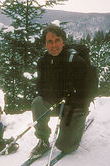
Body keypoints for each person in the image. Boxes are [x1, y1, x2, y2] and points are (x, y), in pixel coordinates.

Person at [30, 24, 90, 156]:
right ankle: (43, 139)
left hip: (75, 106)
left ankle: (78, 122)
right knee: (38, 102)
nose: (54, 45)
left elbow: (88, 91)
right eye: (49, 42)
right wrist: (55, 96)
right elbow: (40, 87)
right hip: (57, 103)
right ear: (45, 44)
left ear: (63, 41)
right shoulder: (43, 62)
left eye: (57, 40)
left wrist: (72, 97)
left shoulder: (75, 60)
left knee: (66, 147)